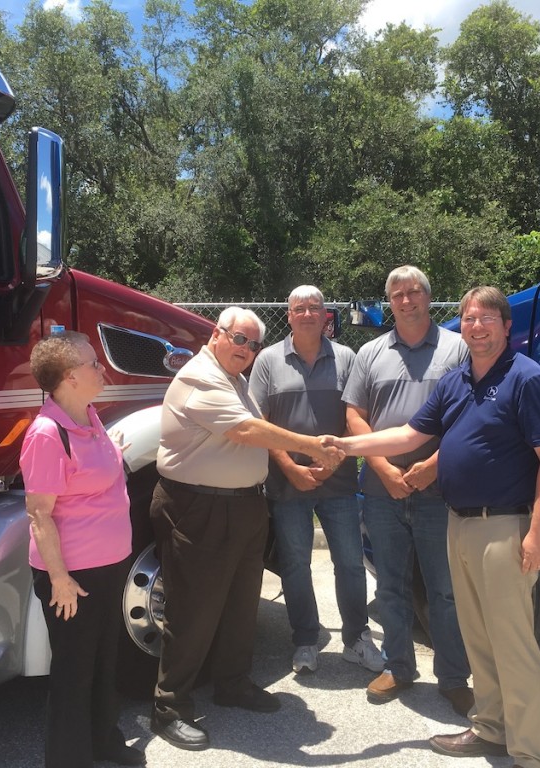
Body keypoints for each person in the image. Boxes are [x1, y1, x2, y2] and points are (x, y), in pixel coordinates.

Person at [330, 286, 540, 768]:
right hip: (458, 524)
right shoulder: (457, 381)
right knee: (478, 637)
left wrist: (538, 533)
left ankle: (531, 754)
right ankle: (491, 728)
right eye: (469, 319)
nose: (477, 327)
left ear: (506, 326)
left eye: (487, 319)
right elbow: (408, 435)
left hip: (503, 527)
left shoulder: (526, 378)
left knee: (512, 643)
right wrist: (343, 446)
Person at [149, 307, 345, 751]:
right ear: (216, 334)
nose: (247, 350)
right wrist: (310, 445)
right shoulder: (201, 375)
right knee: (193, 610)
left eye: (254, 344)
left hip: (242, 507)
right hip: (199, 507)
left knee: (240, 605)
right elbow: (243, 429)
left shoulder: (234, 379)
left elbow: (251, 430)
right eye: (239, 339)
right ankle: (168, 706)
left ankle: (232, 683)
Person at [341, 265, 474, 716]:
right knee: (392, 587)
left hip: (441, 488)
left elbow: (472, 415)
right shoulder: (371, 352)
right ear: (389, 302)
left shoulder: (458, 348)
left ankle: (454, 677)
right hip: (381, 490)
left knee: (446, 591)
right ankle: (398, 668)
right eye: (396, 294)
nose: (405, 300)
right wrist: (380, 468)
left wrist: (431, 468)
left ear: (428, 296)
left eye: (413, 292)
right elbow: (354, 416)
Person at [19, 330, 144, 768]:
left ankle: (104, 742)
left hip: (110, 566)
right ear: (70, 377)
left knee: (104, 661)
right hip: (72, 576)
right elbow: (39, 515)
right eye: (93, 364)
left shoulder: (89, 418)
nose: (101, 369)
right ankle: (69, 759)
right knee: (74, 673)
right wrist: (59, 580)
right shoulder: (47, 434)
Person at [249, 285, 384, 676]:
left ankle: (356, 639)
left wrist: (331, 463)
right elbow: (260, 425)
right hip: (287, 484)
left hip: (339, 482)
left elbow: (356, 419)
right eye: (299, 308)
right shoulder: (268, 361)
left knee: (350, 565)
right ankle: (305, 640)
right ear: (288, 315)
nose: (307, 314)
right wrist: (290, 467)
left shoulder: (346, 358)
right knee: (295, 565)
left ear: (326, 315)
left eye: (314, 307)